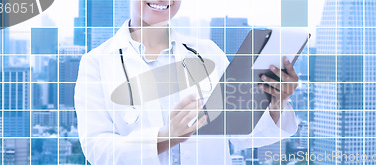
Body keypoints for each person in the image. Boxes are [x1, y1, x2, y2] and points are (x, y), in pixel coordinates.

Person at [74, 0, 299, 164]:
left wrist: (276, 102)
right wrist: (164, 137)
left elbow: (241, 134)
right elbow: (97, 149)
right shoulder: (96, 63)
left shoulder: (207, 52)